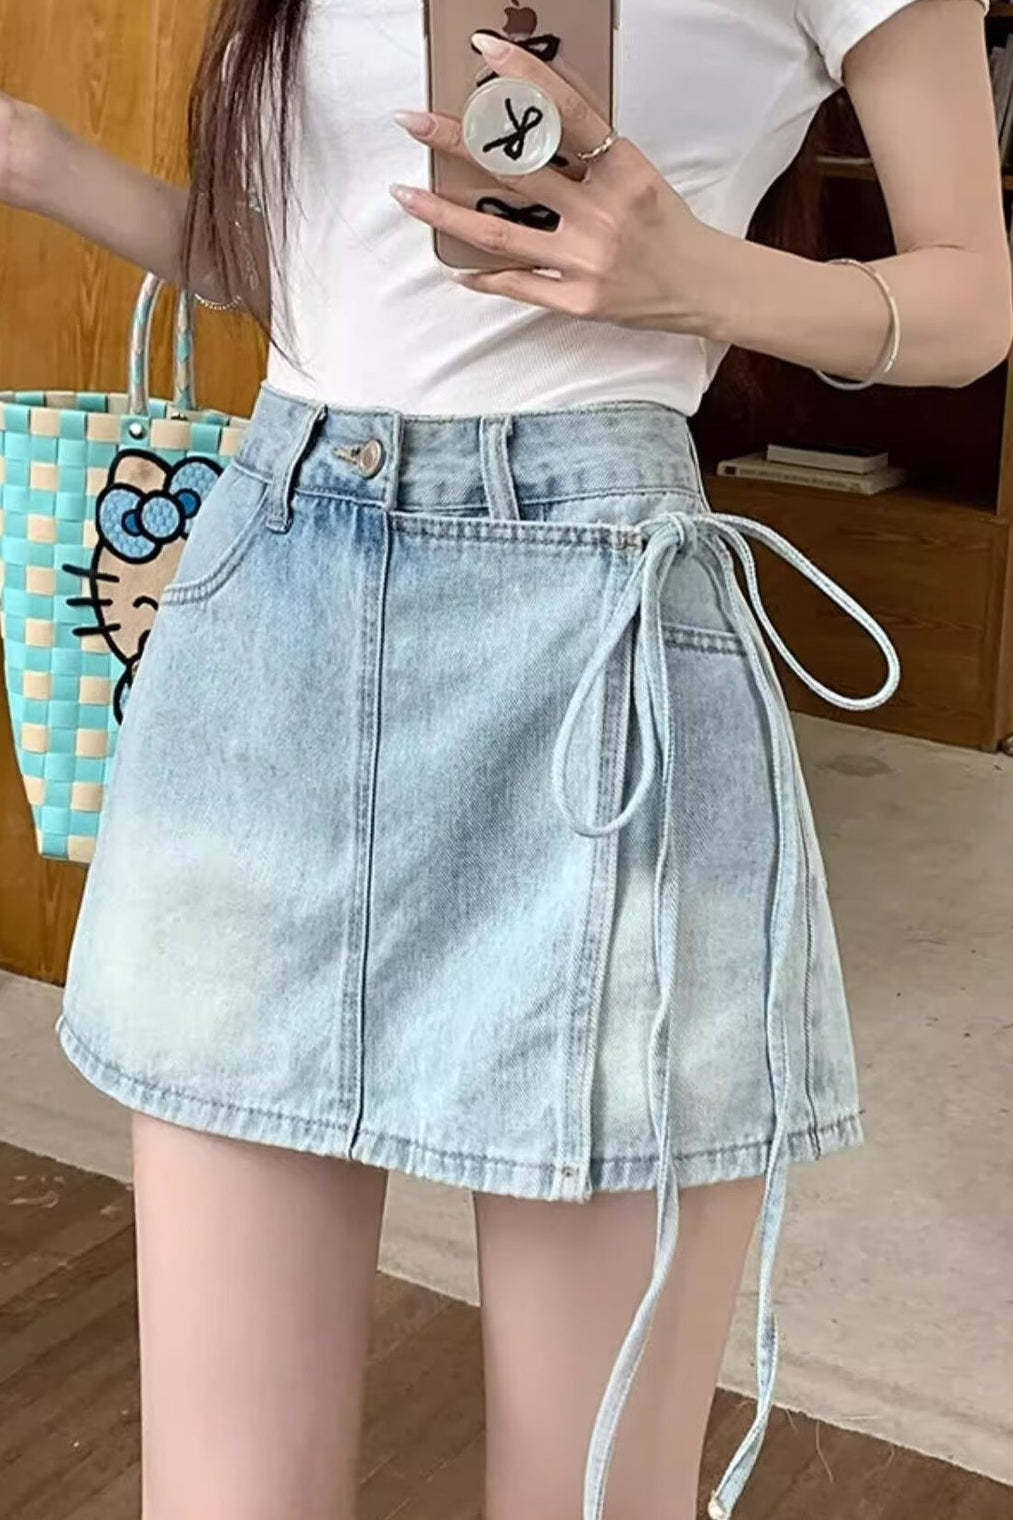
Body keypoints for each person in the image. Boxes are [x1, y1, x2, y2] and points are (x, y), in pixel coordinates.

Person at [2, 0, 1008, 1515]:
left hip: (597, 639)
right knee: (224, 1492)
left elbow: (970, 302)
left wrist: (693, 276)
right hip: (276, 599)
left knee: (591, 1491)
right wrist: (34, 156)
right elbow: (287, 268)